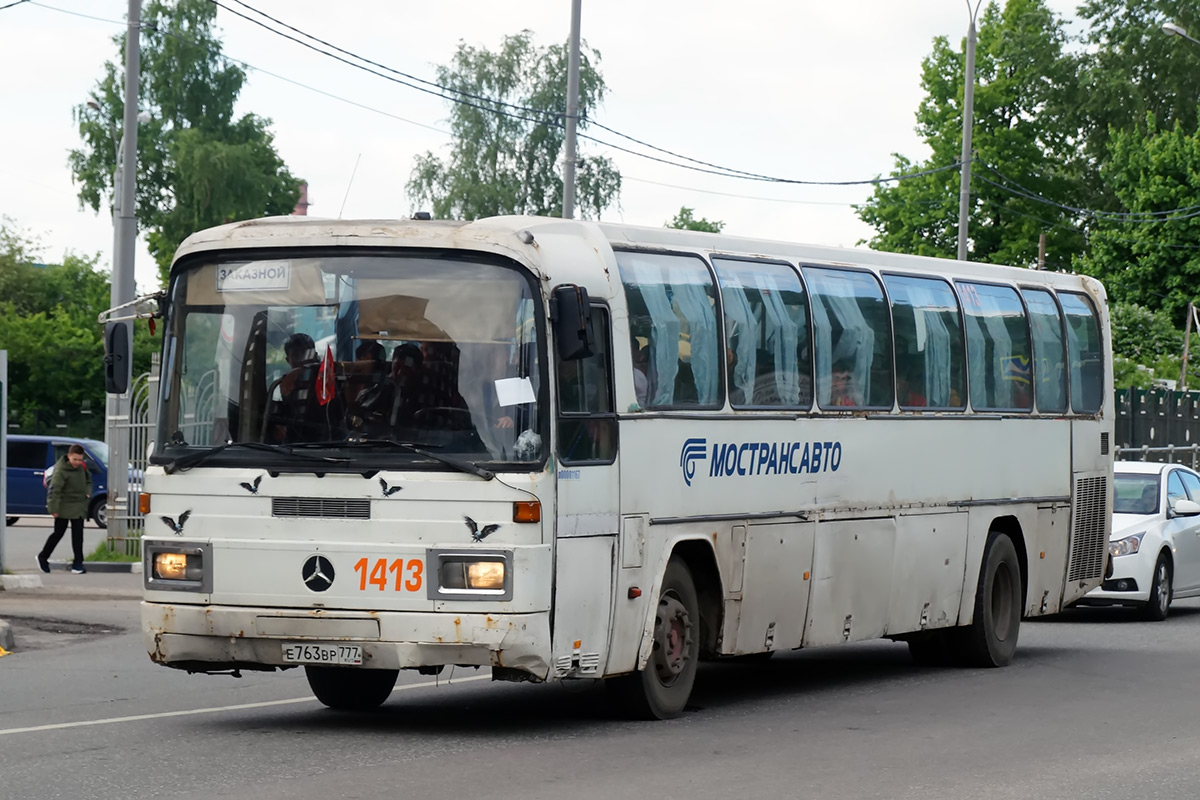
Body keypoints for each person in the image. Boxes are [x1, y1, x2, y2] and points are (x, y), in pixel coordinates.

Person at [37, 444, 92, 574]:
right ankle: (43, 557)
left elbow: (89, 480)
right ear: (69, 457)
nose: (77, 463)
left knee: (78, 535)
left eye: (80, 460)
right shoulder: (60, 471)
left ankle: (78, 563)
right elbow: (54, 491)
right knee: (58, 533)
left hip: (78, 506)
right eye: (75, 460)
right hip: (63, 506)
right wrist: (53, 509)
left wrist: (88, 492)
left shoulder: (82, 468)